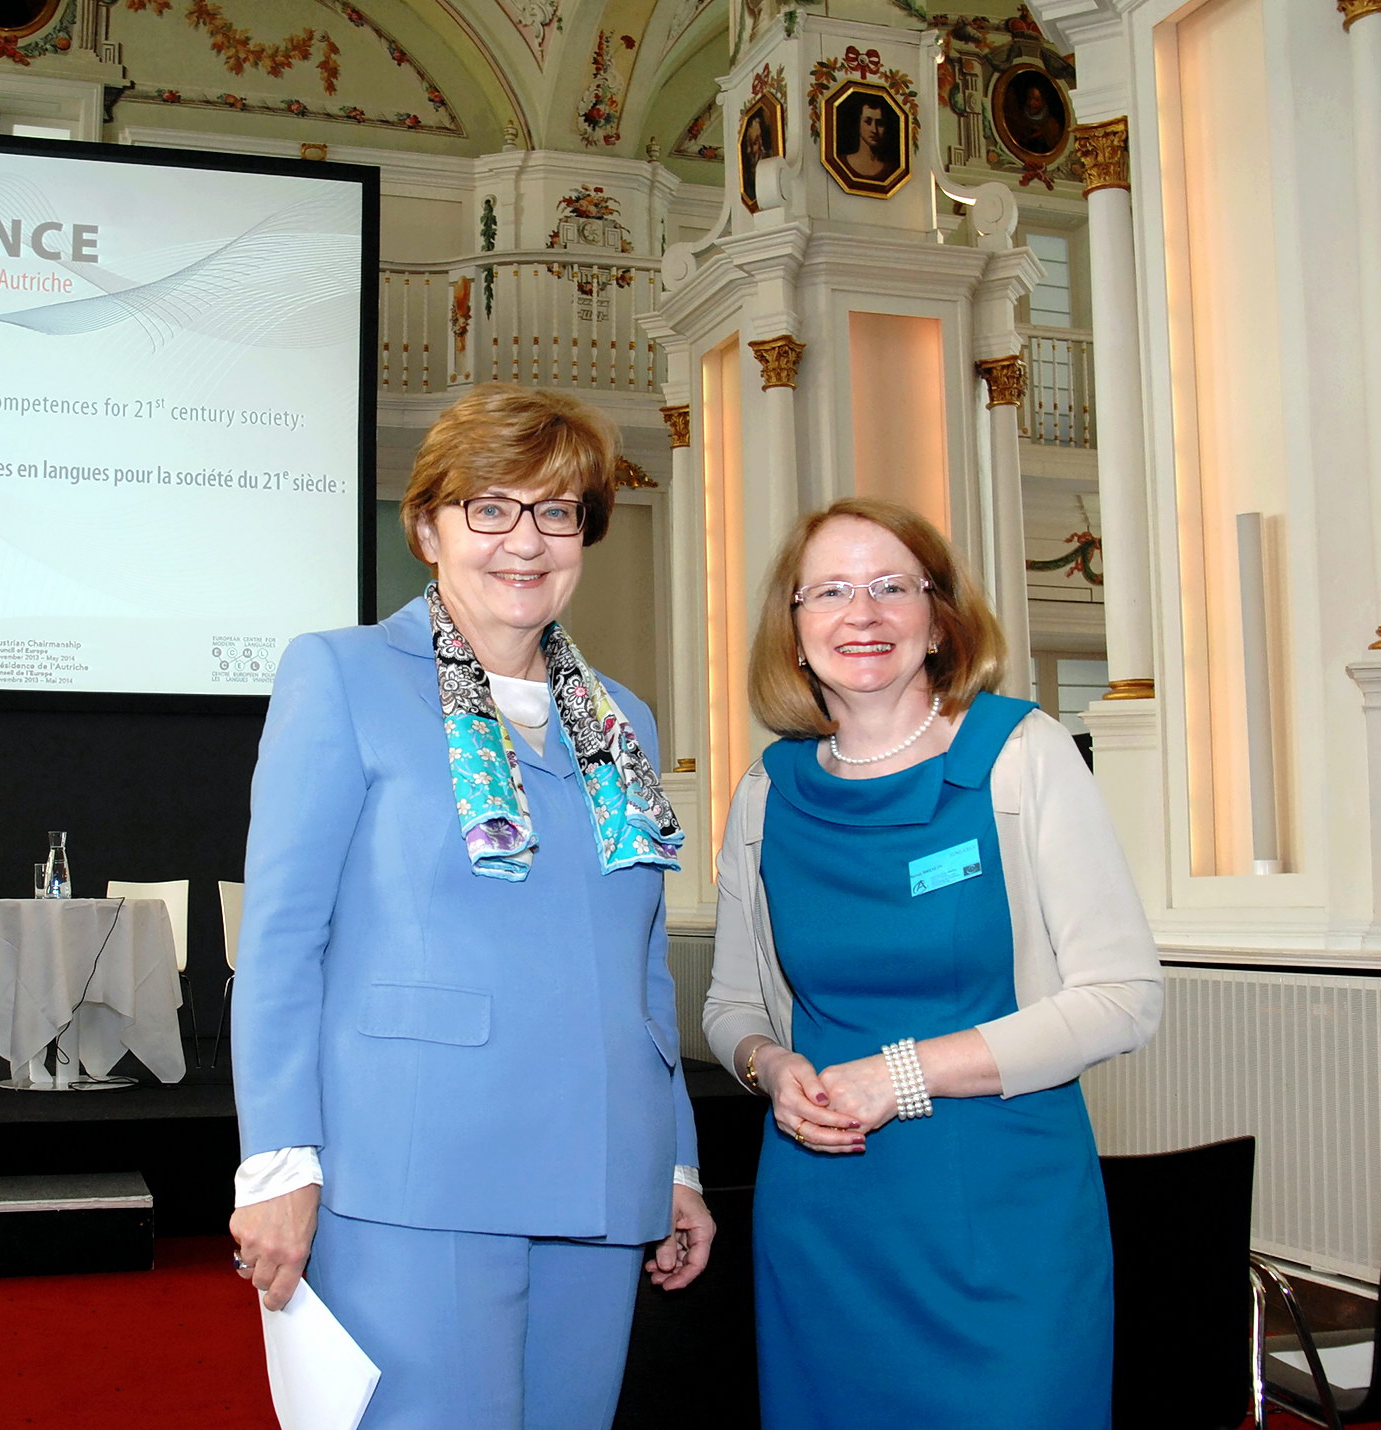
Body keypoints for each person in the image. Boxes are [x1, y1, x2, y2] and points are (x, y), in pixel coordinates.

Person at [231, 383, 716, 1430]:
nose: (524, 540)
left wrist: (672, 1156)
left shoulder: (622, 718)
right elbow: (282, 938)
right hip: (417, 1166)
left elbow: (639, 962)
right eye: (489, 507)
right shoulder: (343, 675)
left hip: (602, 1166)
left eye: (557, 511)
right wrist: (276, 1158)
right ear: (427, 528)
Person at [702, 497, 1161, 1428]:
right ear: (793, 630)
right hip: (826, 1213)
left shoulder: (1020, 753)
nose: (861, 614)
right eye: (829, 591)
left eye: (891, 587)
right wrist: (773, 1067)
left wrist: (900, 1076)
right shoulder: (766, 793)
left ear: (939, 617)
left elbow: (1123, 998)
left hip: (1005, 1211)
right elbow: (730, 1006)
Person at [842, 96, 900, 181]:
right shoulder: (841, 164)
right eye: (868, 121)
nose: (874, 130)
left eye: (880, 123)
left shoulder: (893, 171)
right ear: (858, 123)